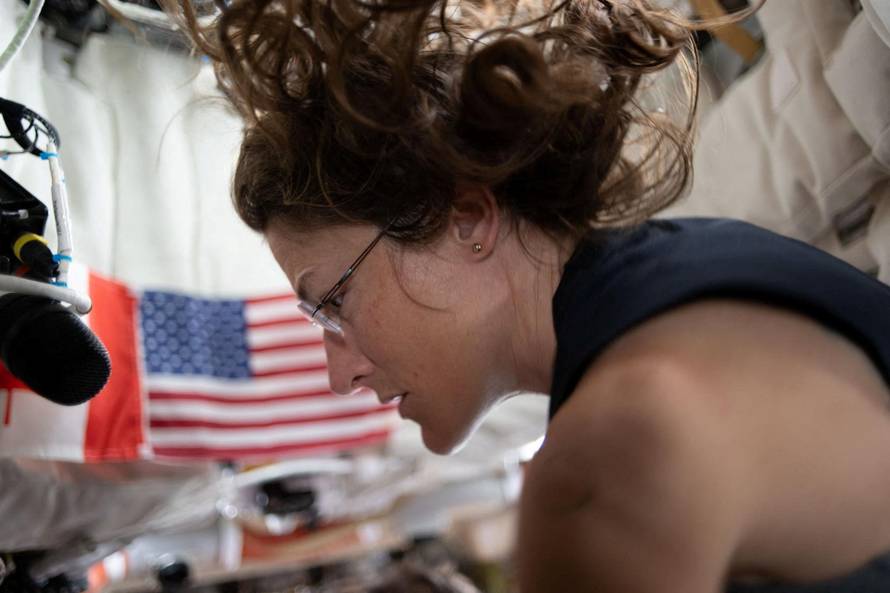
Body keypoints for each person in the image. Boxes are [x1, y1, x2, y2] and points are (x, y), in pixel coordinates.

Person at [165, 1, 890, 591]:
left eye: (336, 305)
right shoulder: (705, 258)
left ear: (467, 221)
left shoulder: (606, 466)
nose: (337, 373)